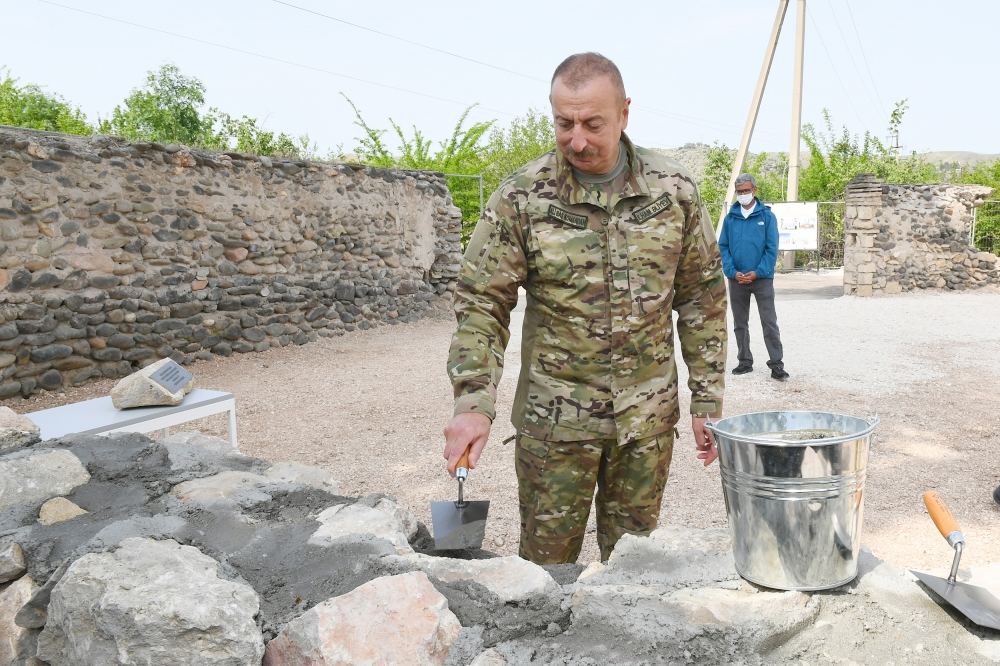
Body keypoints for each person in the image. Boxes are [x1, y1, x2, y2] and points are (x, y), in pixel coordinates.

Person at [442, 52, 728, 565]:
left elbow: (702, 296)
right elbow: (483, 303)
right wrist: (472, 403)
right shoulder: (522, 197)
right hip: (554, 426)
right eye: (563, 123)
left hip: (646, 421)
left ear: (624, 113)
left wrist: (707, 399)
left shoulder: (673, 191)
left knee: (634, 569)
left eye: (593, 124)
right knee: (547, 575)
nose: (577, 139)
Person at [718, 174, 789, 381]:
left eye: (746, 191)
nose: (743, 195)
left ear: (754, 190)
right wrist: (732, 272)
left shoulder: (767, 217)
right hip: (737, 279)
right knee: (740, 323)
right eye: (739, 192)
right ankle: (744, 361)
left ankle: (777, 365)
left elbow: (771, 248)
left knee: (769, 322)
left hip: (762, 279)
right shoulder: (730, 218)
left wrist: (758, 272)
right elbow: (723, 247)